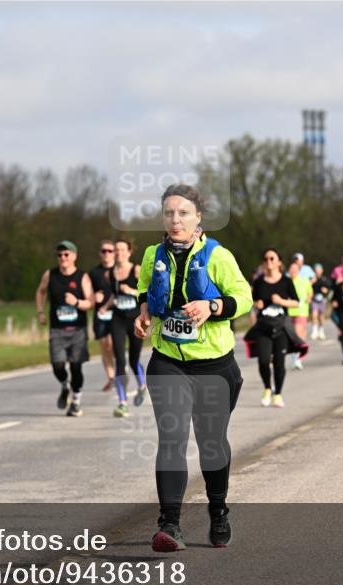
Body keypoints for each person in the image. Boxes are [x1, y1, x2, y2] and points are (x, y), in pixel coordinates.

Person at [134, 184, 251, 551]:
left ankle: (218, 511)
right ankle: (169, 525)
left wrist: (211, 308)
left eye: (183, 213)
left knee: (211, 444)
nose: (175, 219)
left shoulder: (218, 255)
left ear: (198, 216)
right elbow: (144, 289)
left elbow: (244, 297)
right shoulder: (153, 254)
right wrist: (143, 313)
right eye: (169, 213)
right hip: (168, 360)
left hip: (215, 366)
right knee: (172, 439)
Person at [36, 240, 94, 417]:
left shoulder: (82, 277)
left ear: (74, 256)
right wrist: (40, 311)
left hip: (78, 330)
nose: (63, 258)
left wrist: (76, 302)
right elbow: (41, 291)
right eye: (59, 255)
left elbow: (91, 302)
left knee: (76, 367)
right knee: (57, 365)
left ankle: (75, 402)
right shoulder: (50, 275)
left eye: (66, 254)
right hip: (57, 330)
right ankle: (64, 385)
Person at [250, 249, 300, 406]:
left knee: (279, 362)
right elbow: (250, 301)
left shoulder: (286, 281)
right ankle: (267, 388)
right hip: (263, 326)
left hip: (281, 327)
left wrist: (281, 301)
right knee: (264, 361)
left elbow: (296, 302)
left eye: (272, 258)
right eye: (266, 259)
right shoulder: (258, 282)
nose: (269, 261)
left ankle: (278, 394)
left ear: (279, 262)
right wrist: (256, 304)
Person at [105, 236, 146, 418]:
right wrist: (104, 307)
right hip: (118, 320)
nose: (119, 253)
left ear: (129, 252)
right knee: (120, 360)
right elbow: (114, 296)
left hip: (135, 319)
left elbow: (147, 292)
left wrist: (131, 291)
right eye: (116, 250)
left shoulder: (137, 270)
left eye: (122, 250)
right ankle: (122, 403)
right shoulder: (110, 273)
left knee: (133, 360)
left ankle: (142, 385)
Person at [88, 241, 116, 391]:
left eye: (110, 251)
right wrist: (94, 297)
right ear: (100, 253)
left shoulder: (119, 271)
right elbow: (86, 295)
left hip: (116, 314)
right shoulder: (93, 273)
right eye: (104, 251)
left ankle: (119, 372)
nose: (106, 254)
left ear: (115, 253)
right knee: (104, 346)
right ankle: (111, 377)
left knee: (112, 344)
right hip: (100, 314)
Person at [286, 260, 312, 370]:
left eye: (295, 269)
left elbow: (310, 292)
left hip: (301, 310)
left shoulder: (304, 281)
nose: (293, 271)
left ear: (299, 271)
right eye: (291, 269)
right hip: (288, 311)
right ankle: (295, 355)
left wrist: (309, 298)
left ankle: (298, 358)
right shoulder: (286, 281)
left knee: (298, 332)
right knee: (291, 335)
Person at [310, 263, 333, 340]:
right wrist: (311, 283)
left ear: (322, 270)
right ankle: (314, 331)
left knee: (321, 316)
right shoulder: (312, 279)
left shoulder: (325, 279)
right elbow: (308, 288)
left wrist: (326, 291)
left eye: (319, 270)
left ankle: (321, 330)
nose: (318, 271)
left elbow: (329, 289)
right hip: (314, 299)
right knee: (314, 315)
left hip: (322, 300)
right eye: (316, 270)